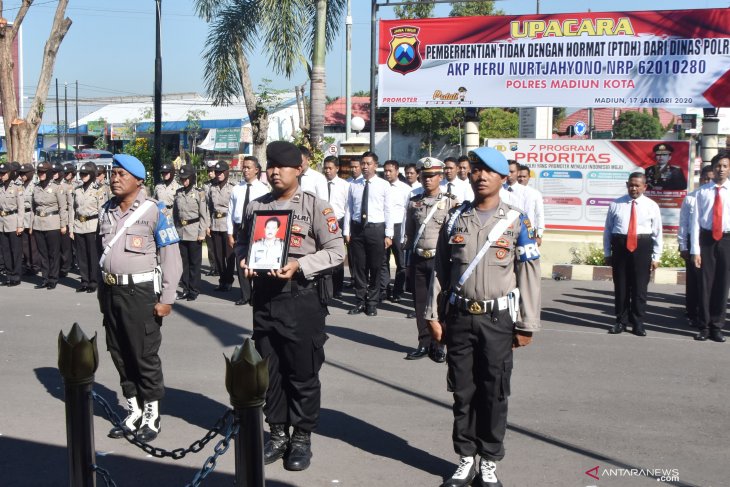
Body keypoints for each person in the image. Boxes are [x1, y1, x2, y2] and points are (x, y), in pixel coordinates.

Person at [426, 147, 541, 487]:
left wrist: (527, 323)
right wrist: (432, 315)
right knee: (462, 392)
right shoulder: (455, 218)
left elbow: (529, 273)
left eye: (489, 171)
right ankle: (464, 458)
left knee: (494, 392)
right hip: (459, 318)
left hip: (497, 321)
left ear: (504, 178)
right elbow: (440, 270)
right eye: (475, 170)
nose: (481, 176)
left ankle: (489, 460)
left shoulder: (518, 221)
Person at [236, 140, 344, 471]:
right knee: (269, 372)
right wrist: (245, 260)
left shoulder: (315, 206)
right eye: (270, 166)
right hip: (266, 297)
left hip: (301, 298)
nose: (273, 172)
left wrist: (301, 265)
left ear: (299, 169)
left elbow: (338, 251)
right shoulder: (256, 207)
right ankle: (278, 433)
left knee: (302, 372)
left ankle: (301, 437)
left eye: (281, 166)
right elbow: (242, 242)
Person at [99, 154, 182, 442]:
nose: (115, 178)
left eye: (122, 174)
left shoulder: (154, 211)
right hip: (111, 291)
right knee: (119, 352)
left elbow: (171, 256)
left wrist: (167, 298)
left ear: (138, 180)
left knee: (143, 354)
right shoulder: (106, 210)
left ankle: (151, 413)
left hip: (140, 293)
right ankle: (133, 410)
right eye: (113, 173)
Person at [402, 157, 457, 362]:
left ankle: (439, 343)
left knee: (439, 304)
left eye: (432, 176)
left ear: (440, 177)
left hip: (439, 260)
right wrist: (407, 262)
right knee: (419, 304)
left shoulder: (451, 202)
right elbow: (408, 233)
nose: (427, 180)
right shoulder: (414, 201)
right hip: (418, 258)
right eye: (424, 176)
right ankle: (423, 343)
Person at [603, 172, 662, 336]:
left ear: (645, 187)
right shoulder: (616, 204)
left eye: (637, 185)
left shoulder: (651, 206)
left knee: (639, 288)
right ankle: (620, 321)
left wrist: (656, 256)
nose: (634, 188)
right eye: (631, 185)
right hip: (620, 246)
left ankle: (638, 322)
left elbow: (657, 232)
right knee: (621, 286)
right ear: (627, 184)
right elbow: (608, 230)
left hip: (642, 247)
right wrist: (607, 252)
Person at [344, 151, 393, 316]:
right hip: (357, 229)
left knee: (376, 266)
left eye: (368, 164)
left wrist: (389, 234)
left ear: (375, 165)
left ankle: (372, 302)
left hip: (376, 229)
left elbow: (388, 210)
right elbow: (349, 209)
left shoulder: (383, 185)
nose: (365, 167)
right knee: (359, 267)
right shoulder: (353, 185)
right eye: (363, 163)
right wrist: (346, 231)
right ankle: (360, 301)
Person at [690, 152, 730, 342]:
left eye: (724, 166)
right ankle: (704, 325)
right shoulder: (702, 192)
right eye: (718, 166)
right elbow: (695, 222)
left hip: (727, 241)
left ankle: (717, 326)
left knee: (722, 285)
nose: (721, 169)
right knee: (705, 285)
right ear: (712, 169)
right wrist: (695, 250)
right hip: (706, 240)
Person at [228, 155, 269, 305]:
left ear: (256, 170)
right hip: (240, 227)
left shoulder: (263, 189)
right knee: (241, 261)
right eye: (243, 167)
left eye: (248, 167)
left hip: (256, 227)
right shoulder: (237, 188)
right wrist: (230, 232)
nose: (245, 170)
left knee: (256, 261)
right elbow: (231, 212)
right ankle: (245, 295)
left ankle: (257, 295)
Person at [678, 165, 714, 328]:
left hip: (711, 241)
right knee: (694, 280)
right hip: (694, 241)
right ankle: (692, 312)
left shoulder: (717, 196)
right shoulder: (691, 198)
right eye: (705, 178)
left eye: (711, 179)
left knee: (709, 280)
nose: (708, 181)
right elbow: (684, 224)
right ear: (701, 180)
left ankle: (707, 312)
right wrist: (683, 245)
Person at [30, 161, 68, 289]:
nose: (41, 174)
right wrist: (31, 225)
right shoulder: (36, 187)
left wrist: (63, 225)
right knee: (42, 253)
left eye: (43, 172)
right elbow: (32, 208)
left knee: (53, 253)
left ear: (49, 173)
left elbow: (63, 207)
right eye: (39, 172)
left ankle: (53, 278)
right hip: (38, 223)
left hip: (53, 223)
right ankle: (45, 278)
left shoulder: (57, 187)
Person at [174, 164, 209, 301]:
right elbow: (175, 214)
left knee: (194, 263)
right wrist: (176, 230)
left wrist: (202, 233)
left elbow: (203, 215)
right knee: (183, 263)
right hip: (181, 232)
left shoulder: (199, 193)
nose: (184, 181)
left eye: (187, 178)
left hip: (194, 231)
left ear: (192, 178)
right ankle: (185, 288)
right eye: (182, 179)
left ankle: (194, 290)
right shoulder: (178, 193)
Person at [70, 162, 106, 293]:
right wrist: (71, 227)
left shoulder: (98, 190)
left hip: (92, 225)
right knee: (81, 256)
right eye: (81, 174)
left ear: (91, 175)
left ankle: (93, 281)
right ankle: (84, 281)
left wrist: (101, 228)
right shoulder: (77, 190)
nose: (83, 176)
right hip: (79, 225)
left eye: (85, 174)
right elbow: (72, 209)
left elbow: (102, 210)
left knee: (92, 255)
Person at [380, 159, 411, 303]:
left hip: (399, 227)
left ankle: (398, 291)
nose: (387, 173)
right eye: (385, 170)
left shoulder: (405, 189)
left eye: (390, 171)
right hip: (384, 226)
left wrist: (405, 233)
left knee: (401, 261)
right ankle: (384, 290)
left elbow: (407, 212)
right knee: (383, 260)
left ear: (397, 172)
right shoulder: (380, 186)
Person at [322, 155, 349, 298]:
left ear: (337, 169)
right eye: (325, 168)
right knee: (323, 254)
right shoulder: (320, 183)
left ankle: (337, 287)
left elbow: (347, 208)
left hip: (338, 221)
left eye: (330, 168)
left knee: (337, 255)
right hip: (322, 221)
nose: (327, 171)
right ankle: (325, 286)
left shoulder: (345, 185)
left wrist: (346, 229)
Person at [208, 161, 236, 291]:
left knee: (229, 255)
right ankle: (222, 280)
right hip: (215, 224)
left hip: (228, 224)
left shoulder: (232, 187)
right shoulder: (212, 187)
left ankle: (229, 280)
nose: (218, 175)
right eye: (217, 172)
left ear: (226, 172)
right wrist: (208, 225)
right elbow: (208, 207)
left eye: (221, 172)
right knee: (218, 255)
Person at [0, 162, 25, 286]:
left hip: (13, 221)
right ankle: (9, 276)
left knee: (15, 251)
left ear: (9, 174)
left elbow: (21, 208)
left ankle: (16, 276)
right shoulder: (0, 187)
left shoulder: (17, 187)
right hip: (2, 223)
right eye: (1, 174)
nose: (2, 176)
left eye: (4, 174)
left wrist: (20, 225)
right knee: (6, 251)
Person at [18, 163, 40, 275]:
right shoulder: (19, 186)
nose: (22, 176)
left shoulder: (35, 186)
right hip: (22, 217)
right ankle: (28, 265)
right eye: (21, 174)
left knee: (33, 244)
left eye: (24, 174)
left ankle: (35, 266)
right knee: (25, 243)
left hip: (31, 216)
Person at [516, 165, 545, 246]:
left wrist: (539, 235)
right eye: (519, 176)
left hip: (529, 231)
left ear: (529, 177)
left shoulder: (535, 193)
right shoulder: (509, 191)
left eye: (524, 176)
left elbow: (540, 214)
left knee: (527, 257)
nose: (521, 179)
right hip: (511, 230)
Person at [204, 160, 219, 276]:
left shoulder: (221, 184)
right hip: (208, 216)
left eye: (212, 171)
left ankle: (220, 267)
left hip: (219, 218)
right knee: (210, 245)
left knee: (219, 246)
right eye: (209, 171)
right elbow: (205, 204)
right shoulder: (206, 185)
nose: (210, 173)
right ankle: (213, 267)